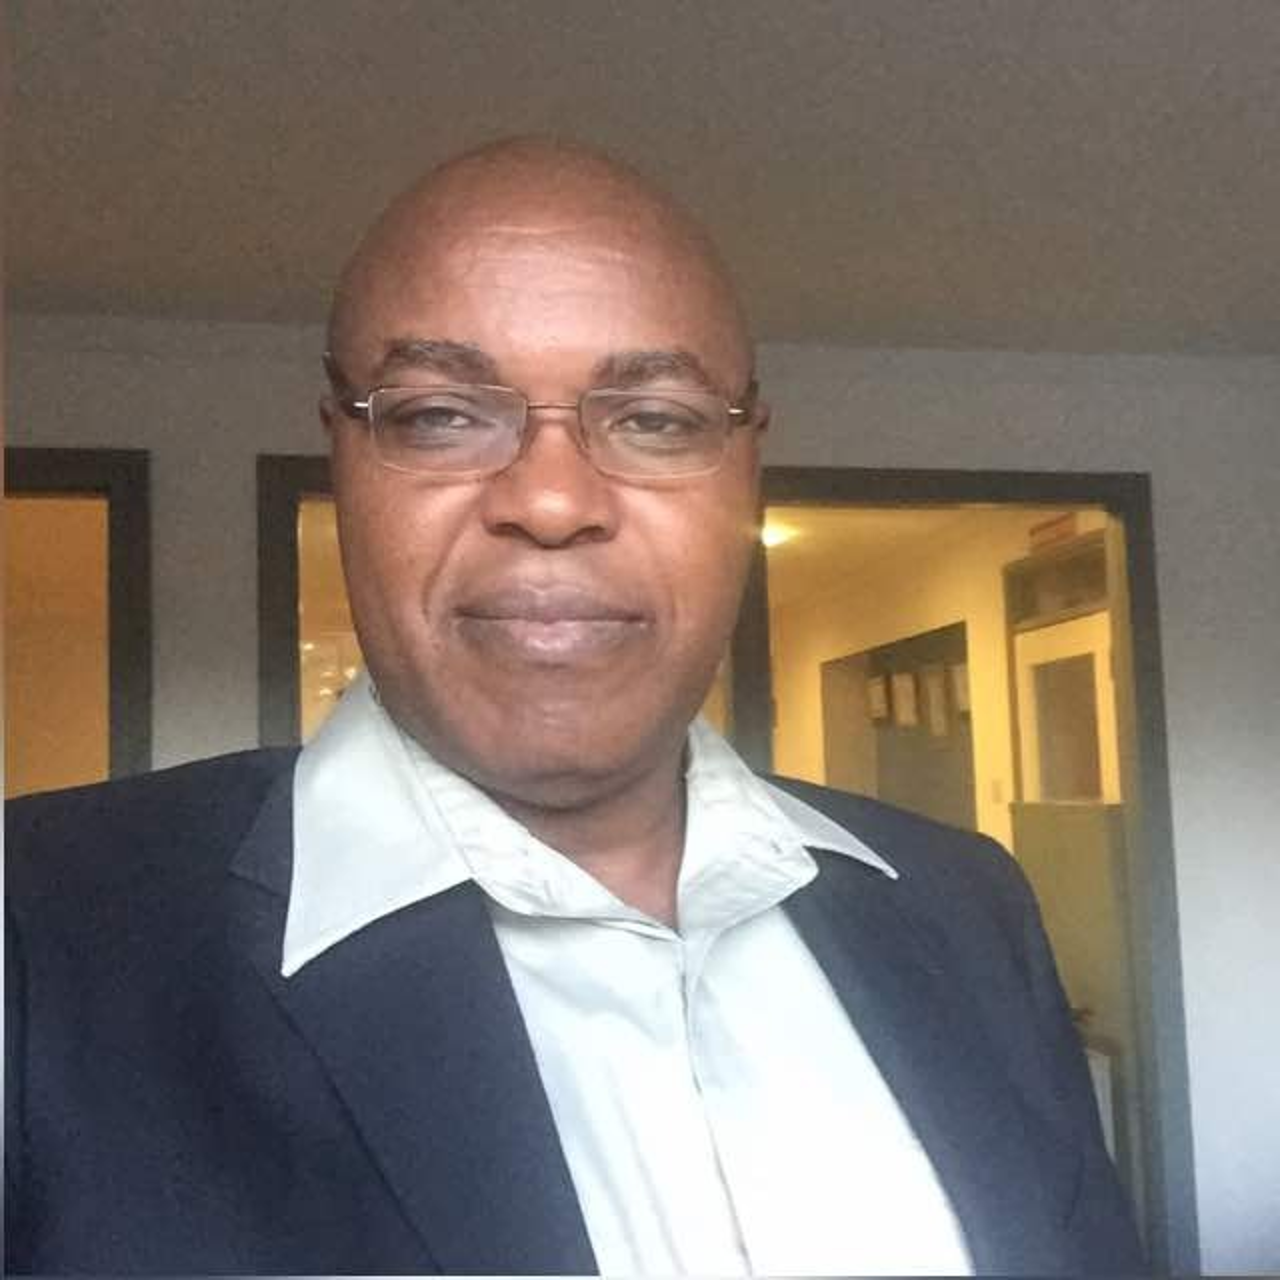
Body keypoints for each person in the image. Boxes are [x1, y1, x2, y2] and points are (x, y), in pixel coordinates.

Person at [5, 138, 1144, 1275]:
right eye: (442, 414)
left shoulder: (965, 911)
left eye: (654, 418)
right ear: (343, 456)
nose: (551, 501)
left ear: (747, 465)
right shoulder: (40, 932)